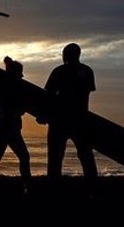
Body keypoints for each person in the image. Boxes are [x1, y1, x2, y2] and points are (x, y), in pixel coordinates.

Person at [44, 43, 97, 183]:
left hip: (59, 120)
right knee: (86, 156)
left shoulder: (59, 71)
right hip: (81, 119)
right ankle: (93, 187)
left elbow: (48, 94)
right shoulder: (87, 71)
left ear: (65, 55)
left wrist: (44, 115)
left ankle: (53, 186)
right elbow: (87, 92)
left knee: (55, 158)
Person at [0, 57, 31, 186]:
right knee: (23, 156)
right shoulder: (18, 88)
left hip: (1, 123)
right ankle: (26, 184)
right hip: (10, 124)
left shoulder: (1, 85)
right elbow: (22, 109)